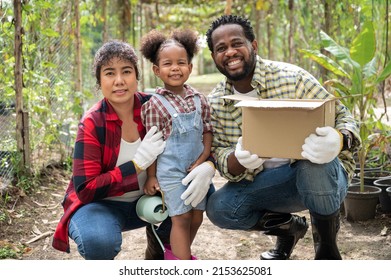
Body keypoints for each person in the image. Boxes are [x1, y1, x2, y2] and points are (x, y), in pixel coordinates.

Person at [205, 14, 361, 260]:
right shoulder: (216, 103)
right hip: (270, 184)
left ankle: (326, 248)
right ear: (214, 57)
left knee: (313, 164)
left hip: (320, 177)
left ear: (253, 46)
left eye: (237, 43)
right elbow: (221, 154)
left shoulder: (292, 78)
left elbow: (344, 116)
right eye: (221, 48)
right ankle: (290, 228)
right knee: (219, 208)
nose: (230, 52)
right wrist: (238, 158)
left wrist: (338, 139)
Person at [51, 40, 171, 260]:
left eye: (126, 71)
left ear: (137, 76)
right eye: (109, 73)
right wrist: (136, 165)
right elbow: (86, 189)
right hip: (102, 205)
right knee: (98, 241)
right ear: (99, 81)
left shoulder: (155, 107)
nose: (119, 81)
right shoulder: (92, 122)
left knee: (199, 194)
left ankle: (159, 245)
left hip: (148, 199)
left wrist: (209, 163)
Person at [140, 29, 215, 260]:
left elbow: (207, 130)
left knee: (196, 216)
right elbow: (153, 146)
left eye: (181, 63)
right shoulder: (155, 104)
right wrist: (152, 177)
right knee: (180, 218)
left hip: (195, 170)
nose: (175, 68)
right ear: (156, 70)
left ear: (190, 68)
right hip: (170, 171)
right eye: (168, 64)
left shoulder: (199, 99)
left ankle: (174, 255)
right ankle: (183, 263)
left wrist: (203, 160)